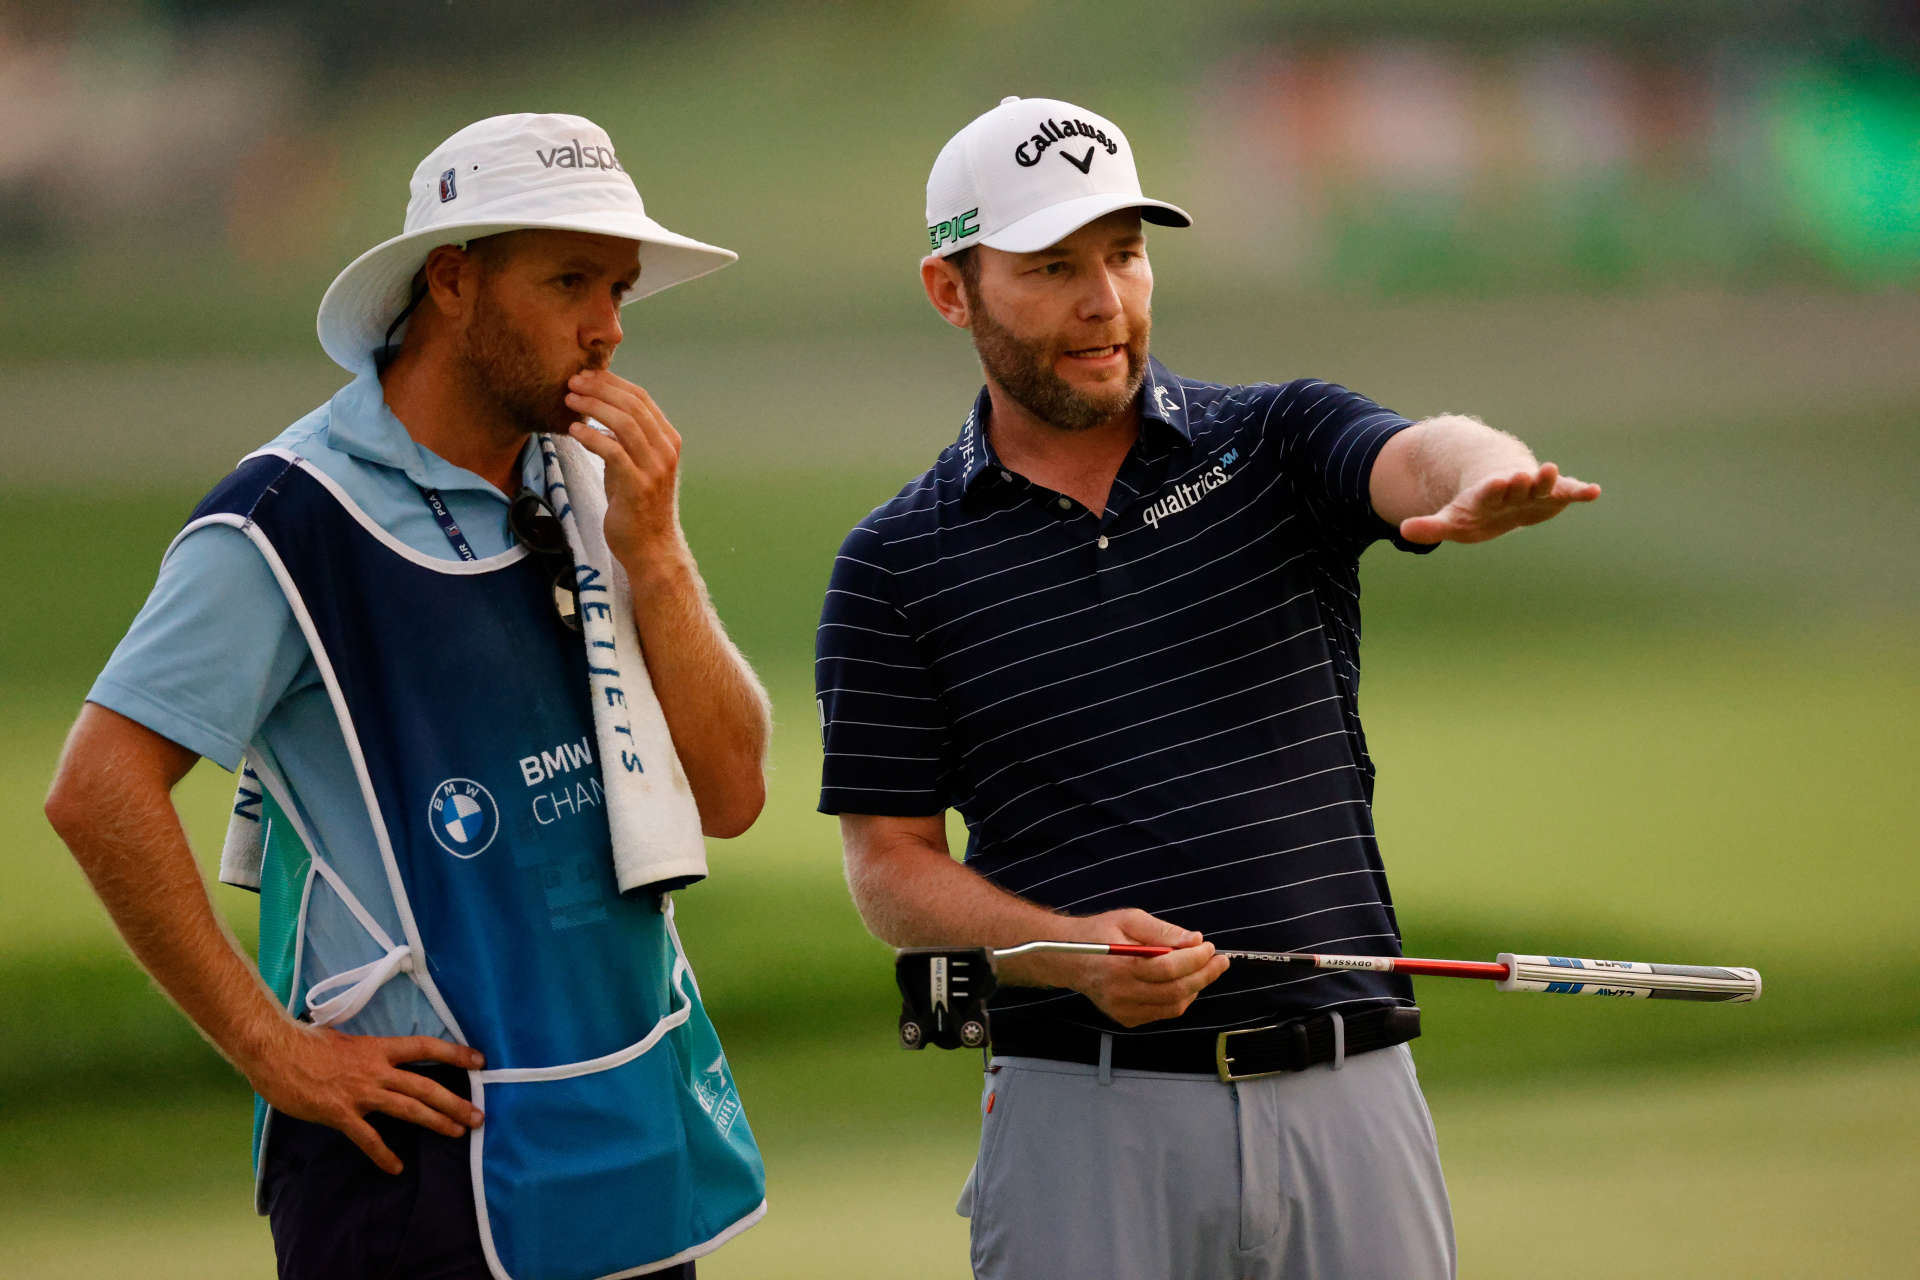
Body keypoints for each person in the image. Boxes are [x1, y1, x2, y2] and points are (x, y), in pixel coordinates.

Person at [815, 96, 1602, 1280]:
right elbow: (890, 867)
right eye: (1053, 266)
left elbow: (1415, 454)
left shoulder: (1275, 441)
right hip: (1082, 1115)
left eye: (1127, 255)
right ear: (951, 288)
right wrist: (1066, 945)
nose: (1105, 302)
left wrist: (1488, 470)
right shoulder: (896, 563)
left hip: (1351, 1095)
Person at [44, 113, 772, 1280]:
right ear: (451, 281)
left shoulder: (592, 486)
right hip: (414, 1162)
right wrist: (273, 1050)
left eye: (621, 287)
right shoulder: (283, 518)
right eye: (571, 280)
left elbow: (732, 792)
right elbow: (96, 789)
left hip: (626, 1123)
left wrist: (663, 555)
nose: (609, 327)